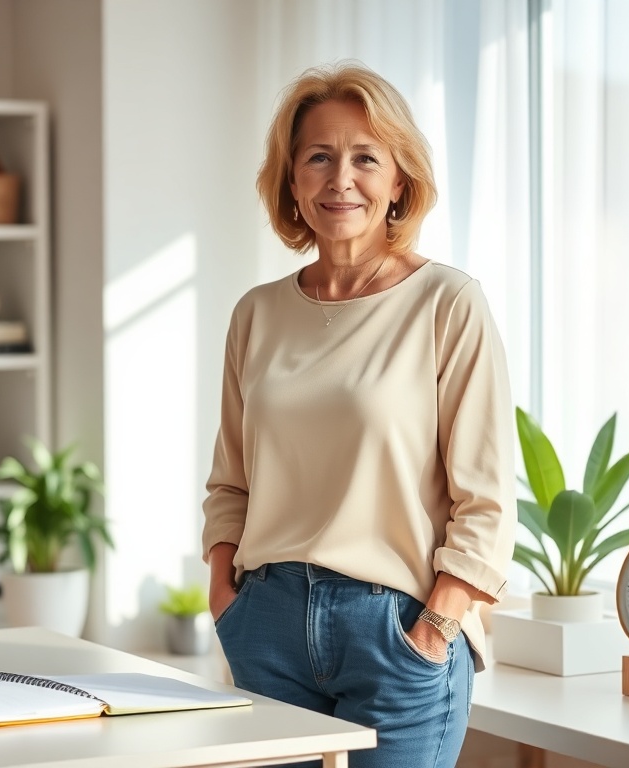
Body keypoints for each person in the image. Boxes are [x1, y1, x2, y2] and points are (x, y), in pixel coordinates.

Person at [201, 61, 516, 768]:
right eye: (318, 157)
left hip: (398, 631)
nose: (340, 179)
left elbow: (487, 500)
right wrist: (226, 599)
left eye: (365, 158)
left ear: (399, 180)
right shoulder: (256, 314)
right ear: (292, 181)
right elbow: (230, 483)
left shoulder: (447, 304)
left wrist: (436, 628)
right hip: (267, 625)